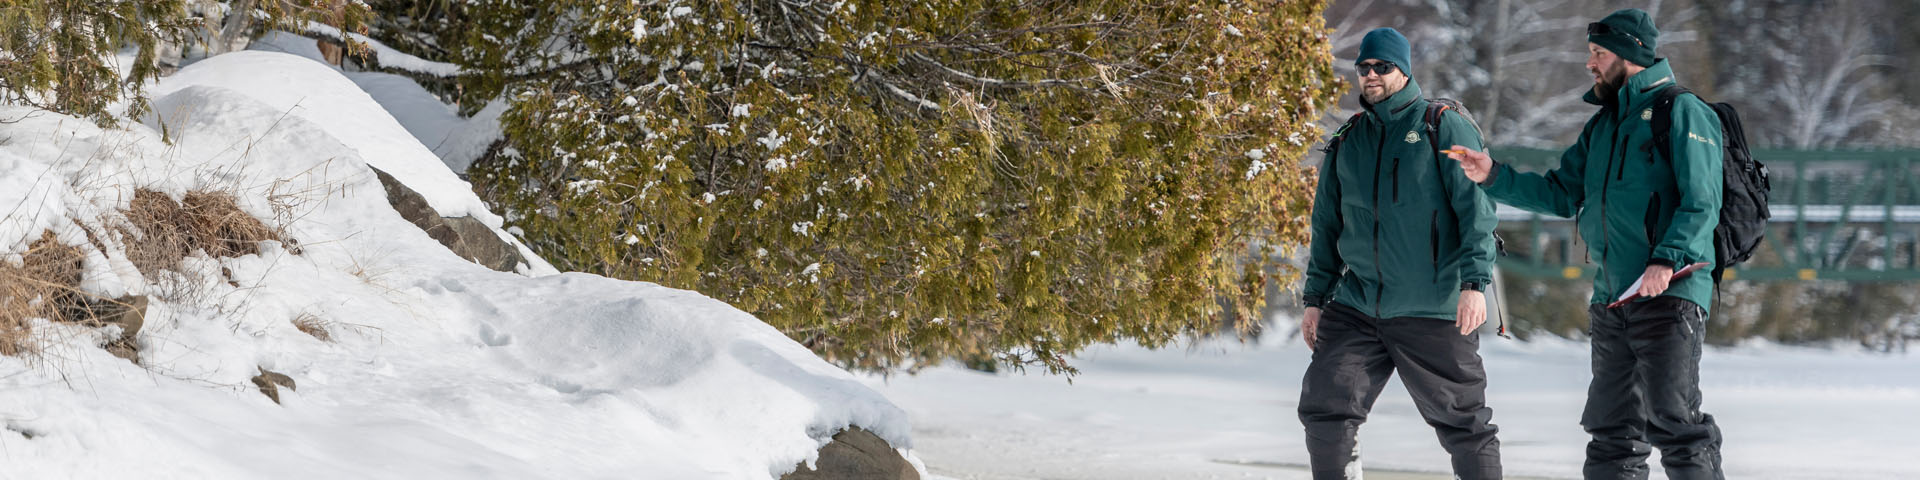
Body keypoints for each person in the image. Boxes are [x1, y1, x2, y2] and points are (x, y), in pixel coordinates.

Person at [1449, 8, 1726, 479]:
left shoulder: (1681, 111)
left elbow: (1703, 201)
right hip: (1614, 299)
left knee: (1675, 423)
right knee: (1612, 431)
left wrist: (1666, 260)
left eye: (1598, 54)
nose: (1590, 64)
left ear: (1629, 56)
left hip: (1670, 293)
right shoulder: (1603, 126)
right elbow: (1561, 192)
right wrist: (1492, 175)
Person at [1298, 27, 1502, 480]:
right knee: (1325, 407)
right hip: (1357, 304)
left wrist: (1474, 286)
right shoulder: (1349, 139)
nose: (1371, 75)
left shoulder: (1443, 126)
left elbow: (1477, 214)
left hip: (1431, 305)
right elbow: (1326, 225)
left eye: (1382, 67)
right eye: (1364, 67)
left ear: (1404, 71)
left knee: (1465, 424)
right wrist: (1315, 300)